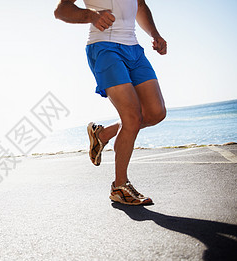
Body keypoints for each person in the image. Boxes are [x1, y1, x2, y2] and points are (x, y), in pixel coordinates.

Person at [54, 0, 167, 205]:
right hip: (104, 47)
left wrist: (155, 34)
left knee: (155, 113)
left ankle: (103, 134)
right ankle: (119, 186)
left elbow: (140, 6)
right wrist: (92, 16)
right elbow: (61, 10)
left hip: (134, 49)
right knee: (131, 118)